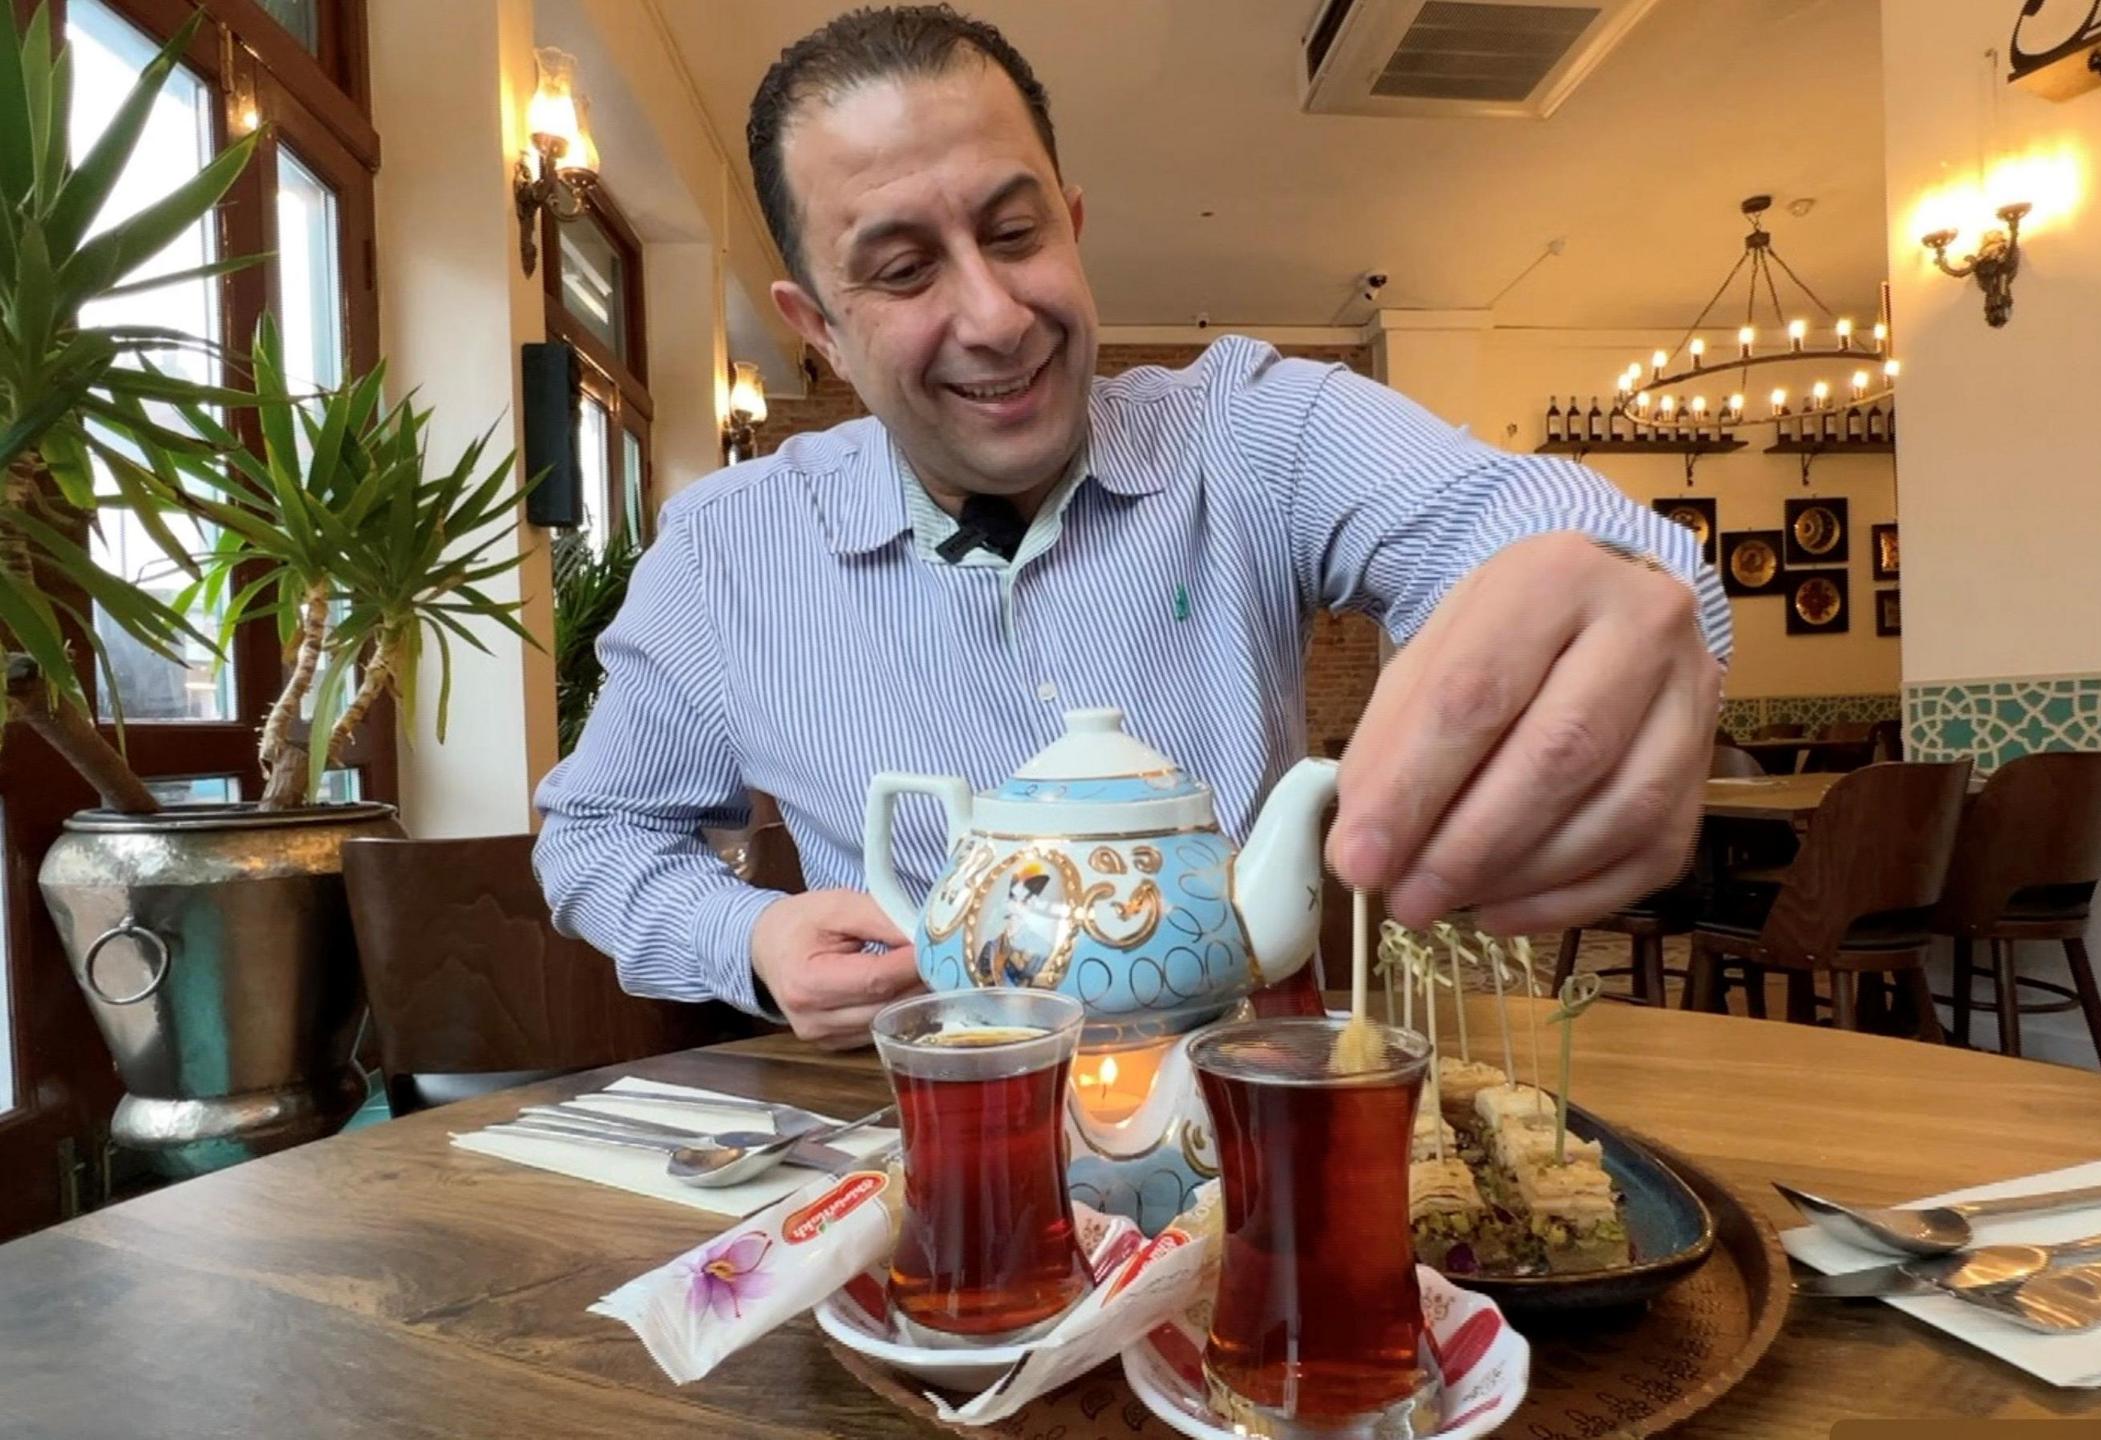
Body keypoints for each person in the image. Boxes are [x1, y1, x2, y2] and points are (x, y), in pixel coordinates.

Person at [533, 5, 1730, 1048]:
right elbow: (594, 834)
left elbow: (1562, 533)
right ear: (819, 332)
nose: (996, 319)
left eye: (1015, 234)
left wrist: (1609, 589)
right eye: (902, 270)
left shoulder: (1248, 429)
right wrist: (751, 936)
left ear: (1073, 221)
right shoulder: (726, 551)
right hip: (928, 1131)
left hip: (1245, 1111)